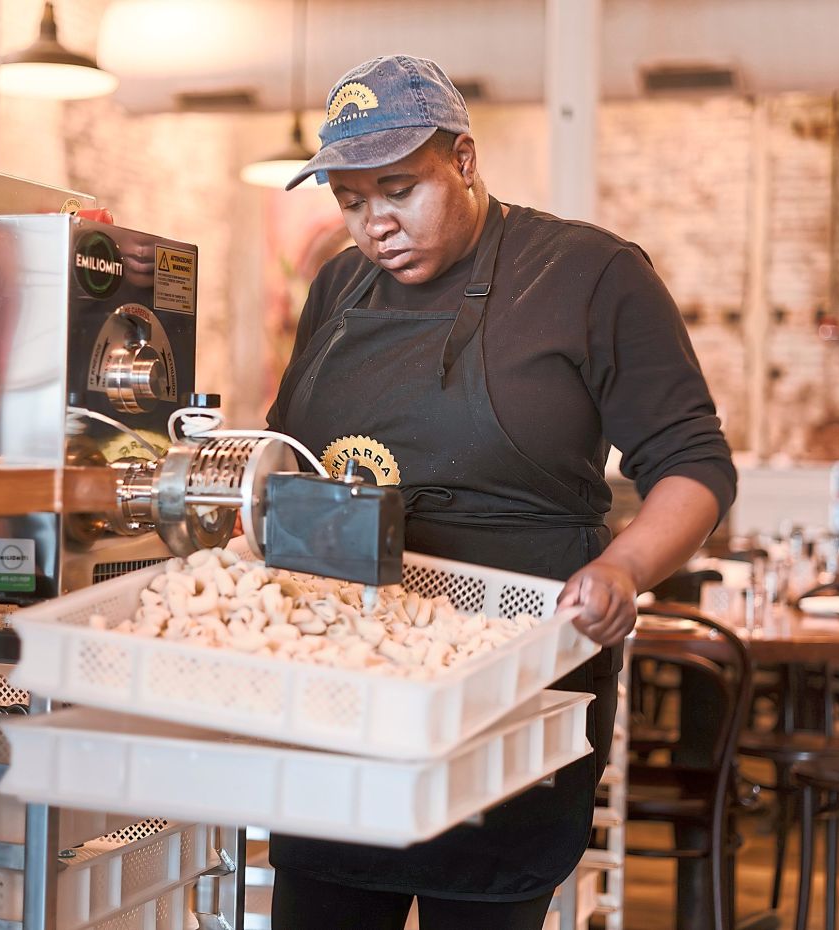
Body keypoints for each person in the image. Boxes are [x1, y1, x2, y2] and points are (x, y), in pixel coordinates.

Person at [266, 55, 736, 930]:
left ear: (467, 161)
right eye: (352, 201)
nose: (375, 225)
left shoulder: (588, 277)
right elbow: (287, 457)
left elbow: (695, 464)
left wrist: (627, 567)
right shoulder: (337, 286)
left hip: (511, 693)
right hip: (345, 692)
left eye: (399, 190)